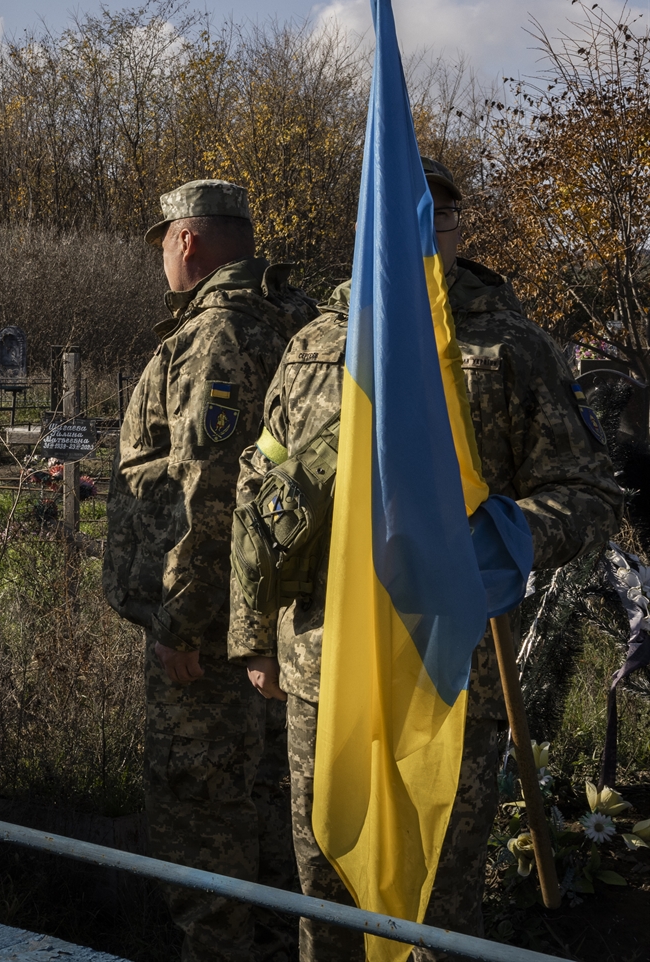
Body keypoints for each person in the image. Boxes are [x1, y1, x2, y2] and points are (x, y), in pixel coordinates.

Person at [231, 157, 622, 961]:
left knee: (436, 901)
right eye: (398, 209)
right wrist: (250, 632)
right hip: (321, 665)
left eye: (437, 213)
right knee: (328, 883)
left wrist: (498, 539)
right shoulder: (315, 343)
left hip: (448, 668)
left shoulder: (507, 346)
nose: (418, 226)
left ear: (458, 225)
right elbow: (257, 489)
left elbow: (585, 493)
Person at [102, 179, 315, 962]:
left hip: (214, 631)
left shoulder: (218, 333)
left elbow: (211, 486)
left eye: (163, 241)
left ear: (186, 241)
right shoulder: (290, 318)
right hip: (269, 618)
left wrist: (181, 623)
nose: (162, 256)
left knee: (201, 801)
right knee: (265, 799)